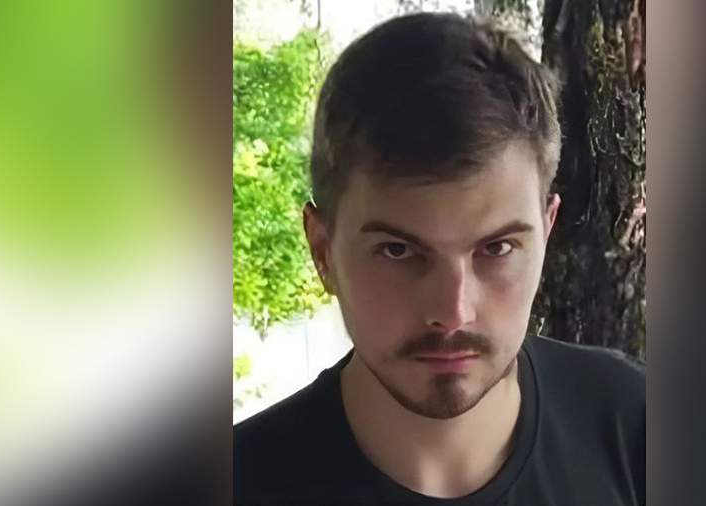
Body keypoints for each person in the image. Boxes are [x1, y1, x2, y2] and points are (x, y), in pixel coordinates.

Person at [233, 12, 645, 505]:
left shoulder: (642, 434)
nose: (453, 313)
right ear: (323, 251)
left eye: (497, 248)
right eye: (398, 251)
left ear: (547, 231)